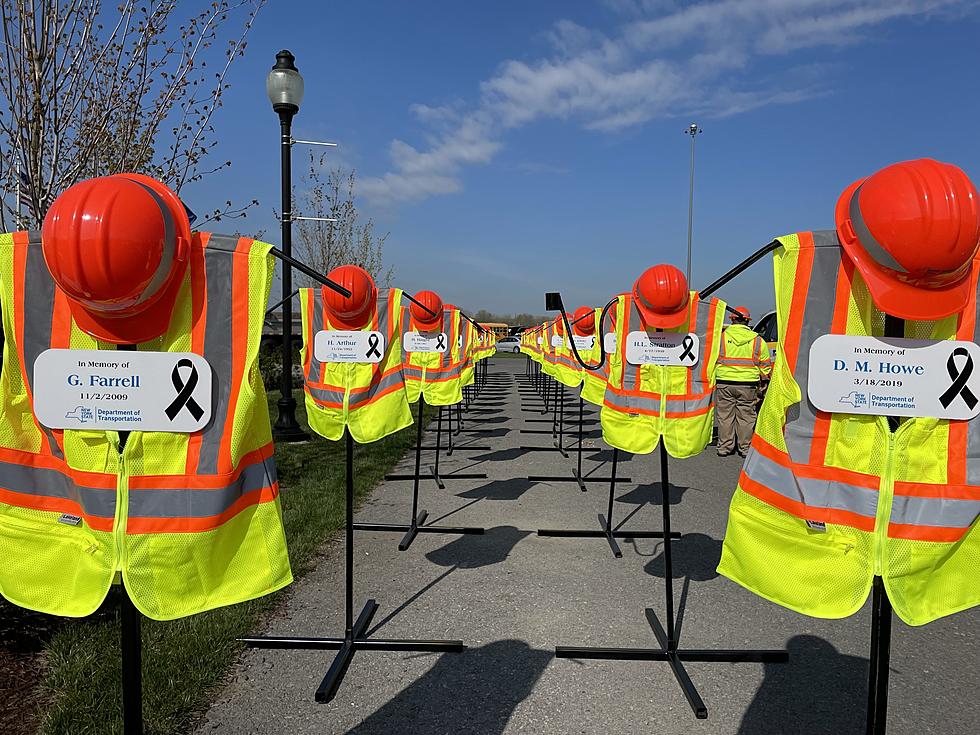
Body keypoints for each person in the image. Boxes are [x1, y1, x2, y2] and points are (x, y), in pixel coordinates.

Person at [714, 306, 771, 456]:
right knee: (746, 417)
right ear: (747, 321)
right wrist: (763, 381)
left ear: (732, 319)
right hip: (748, 384)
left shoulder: (720, 338)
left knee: (725, 416)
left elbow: (711, 360)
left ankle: (724, 447)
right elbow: (765, 364)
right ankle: (745, 448)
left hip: (724, 382)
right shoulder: (758, 340)